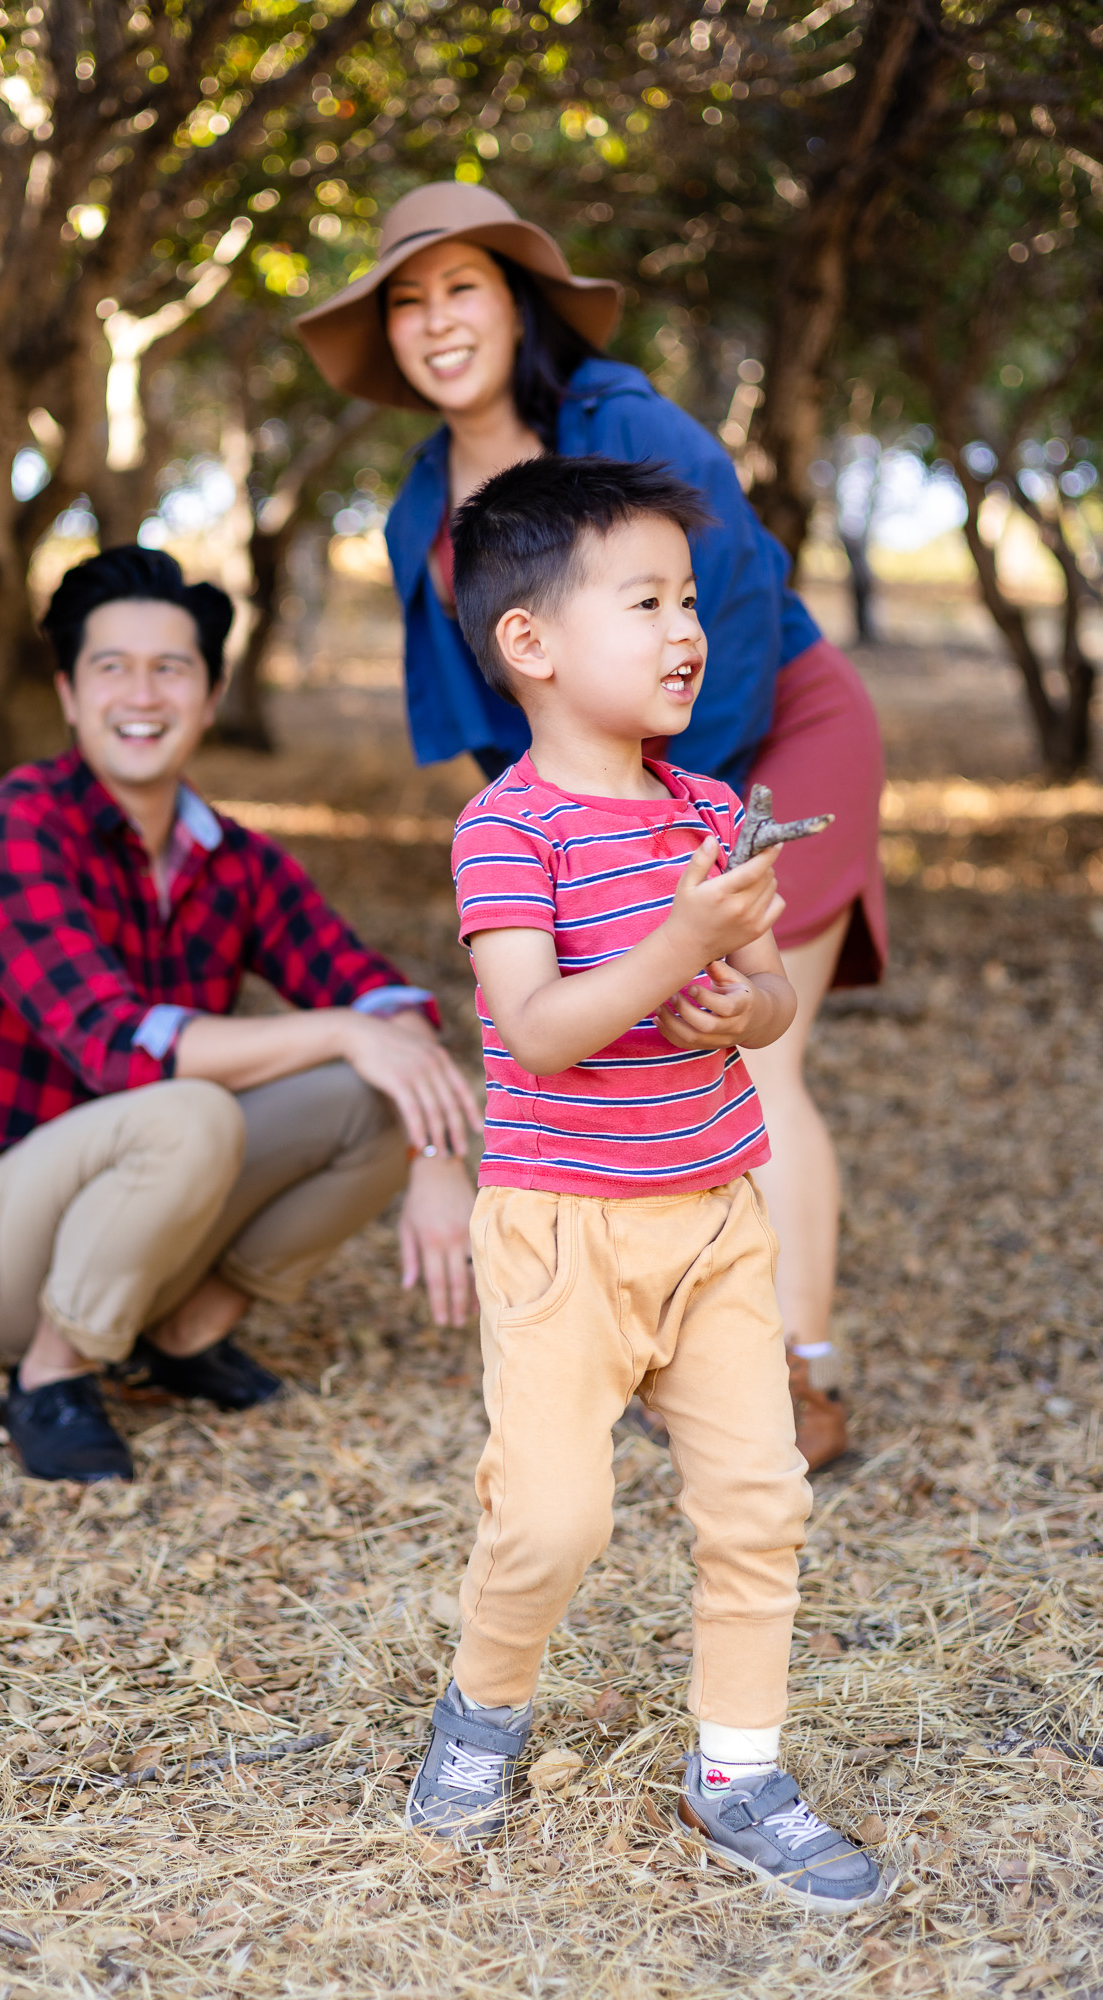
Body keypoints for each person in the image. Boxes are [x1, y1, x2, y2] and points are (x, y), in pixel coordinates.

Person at [296, 181, 888, 1469]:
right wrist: (546, 861)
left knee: (753, 1051)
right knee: (605, 1037)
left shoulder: (616, 415)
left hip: (764, 732)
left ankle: (796, 1371)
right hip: (606, 786)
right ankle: (643, 1332)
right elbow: (471, 723)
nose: (436, 320)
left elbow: (720, 608)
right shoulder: (421, 509)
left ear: (515, 305)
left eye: (463, 287)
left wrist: (673, 826)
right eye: (407, 301)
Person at [401, 456, 883, 1912]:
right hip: (562, 1237)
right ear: (530, 644)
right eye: (647, 601)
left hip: (716, 1221)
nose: (689, 630)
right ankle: (482, 1711)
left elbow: (764, 1006)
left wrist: (743, 1007)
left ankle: (736, 1765)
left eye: (690, 600)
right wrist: (677, 950)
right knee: (554, 1520)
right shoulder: (507, 831)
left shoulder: (703, 814)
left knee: (758, 1500)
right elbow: (539, 1035)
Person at [0, 546, 478, 1484]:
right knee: (195, 1104)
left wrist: (436, 1150)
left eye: (171, 668)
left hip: (148, 1208)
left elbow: (377, 993)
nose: (142, 692)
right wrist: (342, 1032)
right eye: (111, 667)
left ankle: (180, 1336)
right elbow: (117, 1048)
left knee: (374, 1093)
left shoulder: (235, 859)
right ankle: (48, 1377)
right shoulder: (7, 829)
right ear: (69, 694)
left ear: (210, 698)